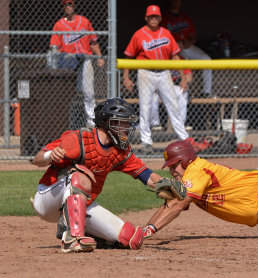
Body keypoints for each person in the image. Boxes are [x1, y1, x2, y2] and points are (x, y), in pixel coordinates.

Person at [31, 98, 163, 253]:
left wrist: (166, 184)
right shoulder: (79, 140)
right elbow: (37, 160)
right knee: (79, 176)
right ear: (107, 123)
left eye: (128, 123)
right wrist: (49, 155)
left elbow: (146, 175)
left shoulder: (120, 152)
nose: (127, 128)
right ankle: (72, 239)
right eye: (122, 123)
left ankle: (87, 234)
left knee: (131, 238)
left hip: (80, 204)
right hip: (48, 199)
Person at [122, 4, 190, 154]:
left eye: (156, 16)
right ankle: (146, 142)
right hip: (145, 73)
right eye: (151, 16)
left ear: (160, 18)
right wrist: (126, 77)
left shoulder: (166, 33)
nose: (153, 19)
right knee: (145, 108)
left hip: (164, 72)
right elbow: (128, 56)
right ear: (146, 18)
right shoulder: (139, 34)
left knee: (173, 105)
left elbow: (175, 56)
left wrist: (183, 76)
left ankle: (185, 139)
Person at [50, 0, 105, 129]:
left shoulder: (84, 21)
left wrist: (99, 56)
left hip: (85, 58)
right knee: (65, 92)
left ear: (74, 6)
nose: (68, 7)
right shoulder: (59, 25)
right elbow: (55, 47)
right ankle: (63, 121)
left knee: (88, 91)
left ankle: (91, 120)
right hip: (68, 60)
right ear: (63, 7)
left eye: (70, 4)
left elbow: (93, 41)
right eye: (65, 5)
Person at [161, 0, 213, 98]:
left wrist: (189, 43)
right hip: (173, 49)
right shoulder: (164, 18)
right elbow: (161, 37)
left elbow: (193, 35)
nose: (176, 3)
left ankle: (206, 92)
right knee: (185, 61)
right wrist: (174, 43)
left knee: (207, 60)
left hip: (186, 46)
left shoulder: (186, 18)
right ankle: (186, 92)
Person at [150, 55, 193, 131]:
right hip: (160, 87)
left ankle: (181, 123)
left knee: (182, 92)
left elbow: (189, 78)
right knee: (153, 95)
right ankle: (155, 124)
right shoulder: (159, 59)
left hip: (173, 86)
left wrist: (185, 80)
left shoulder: (182, 60)